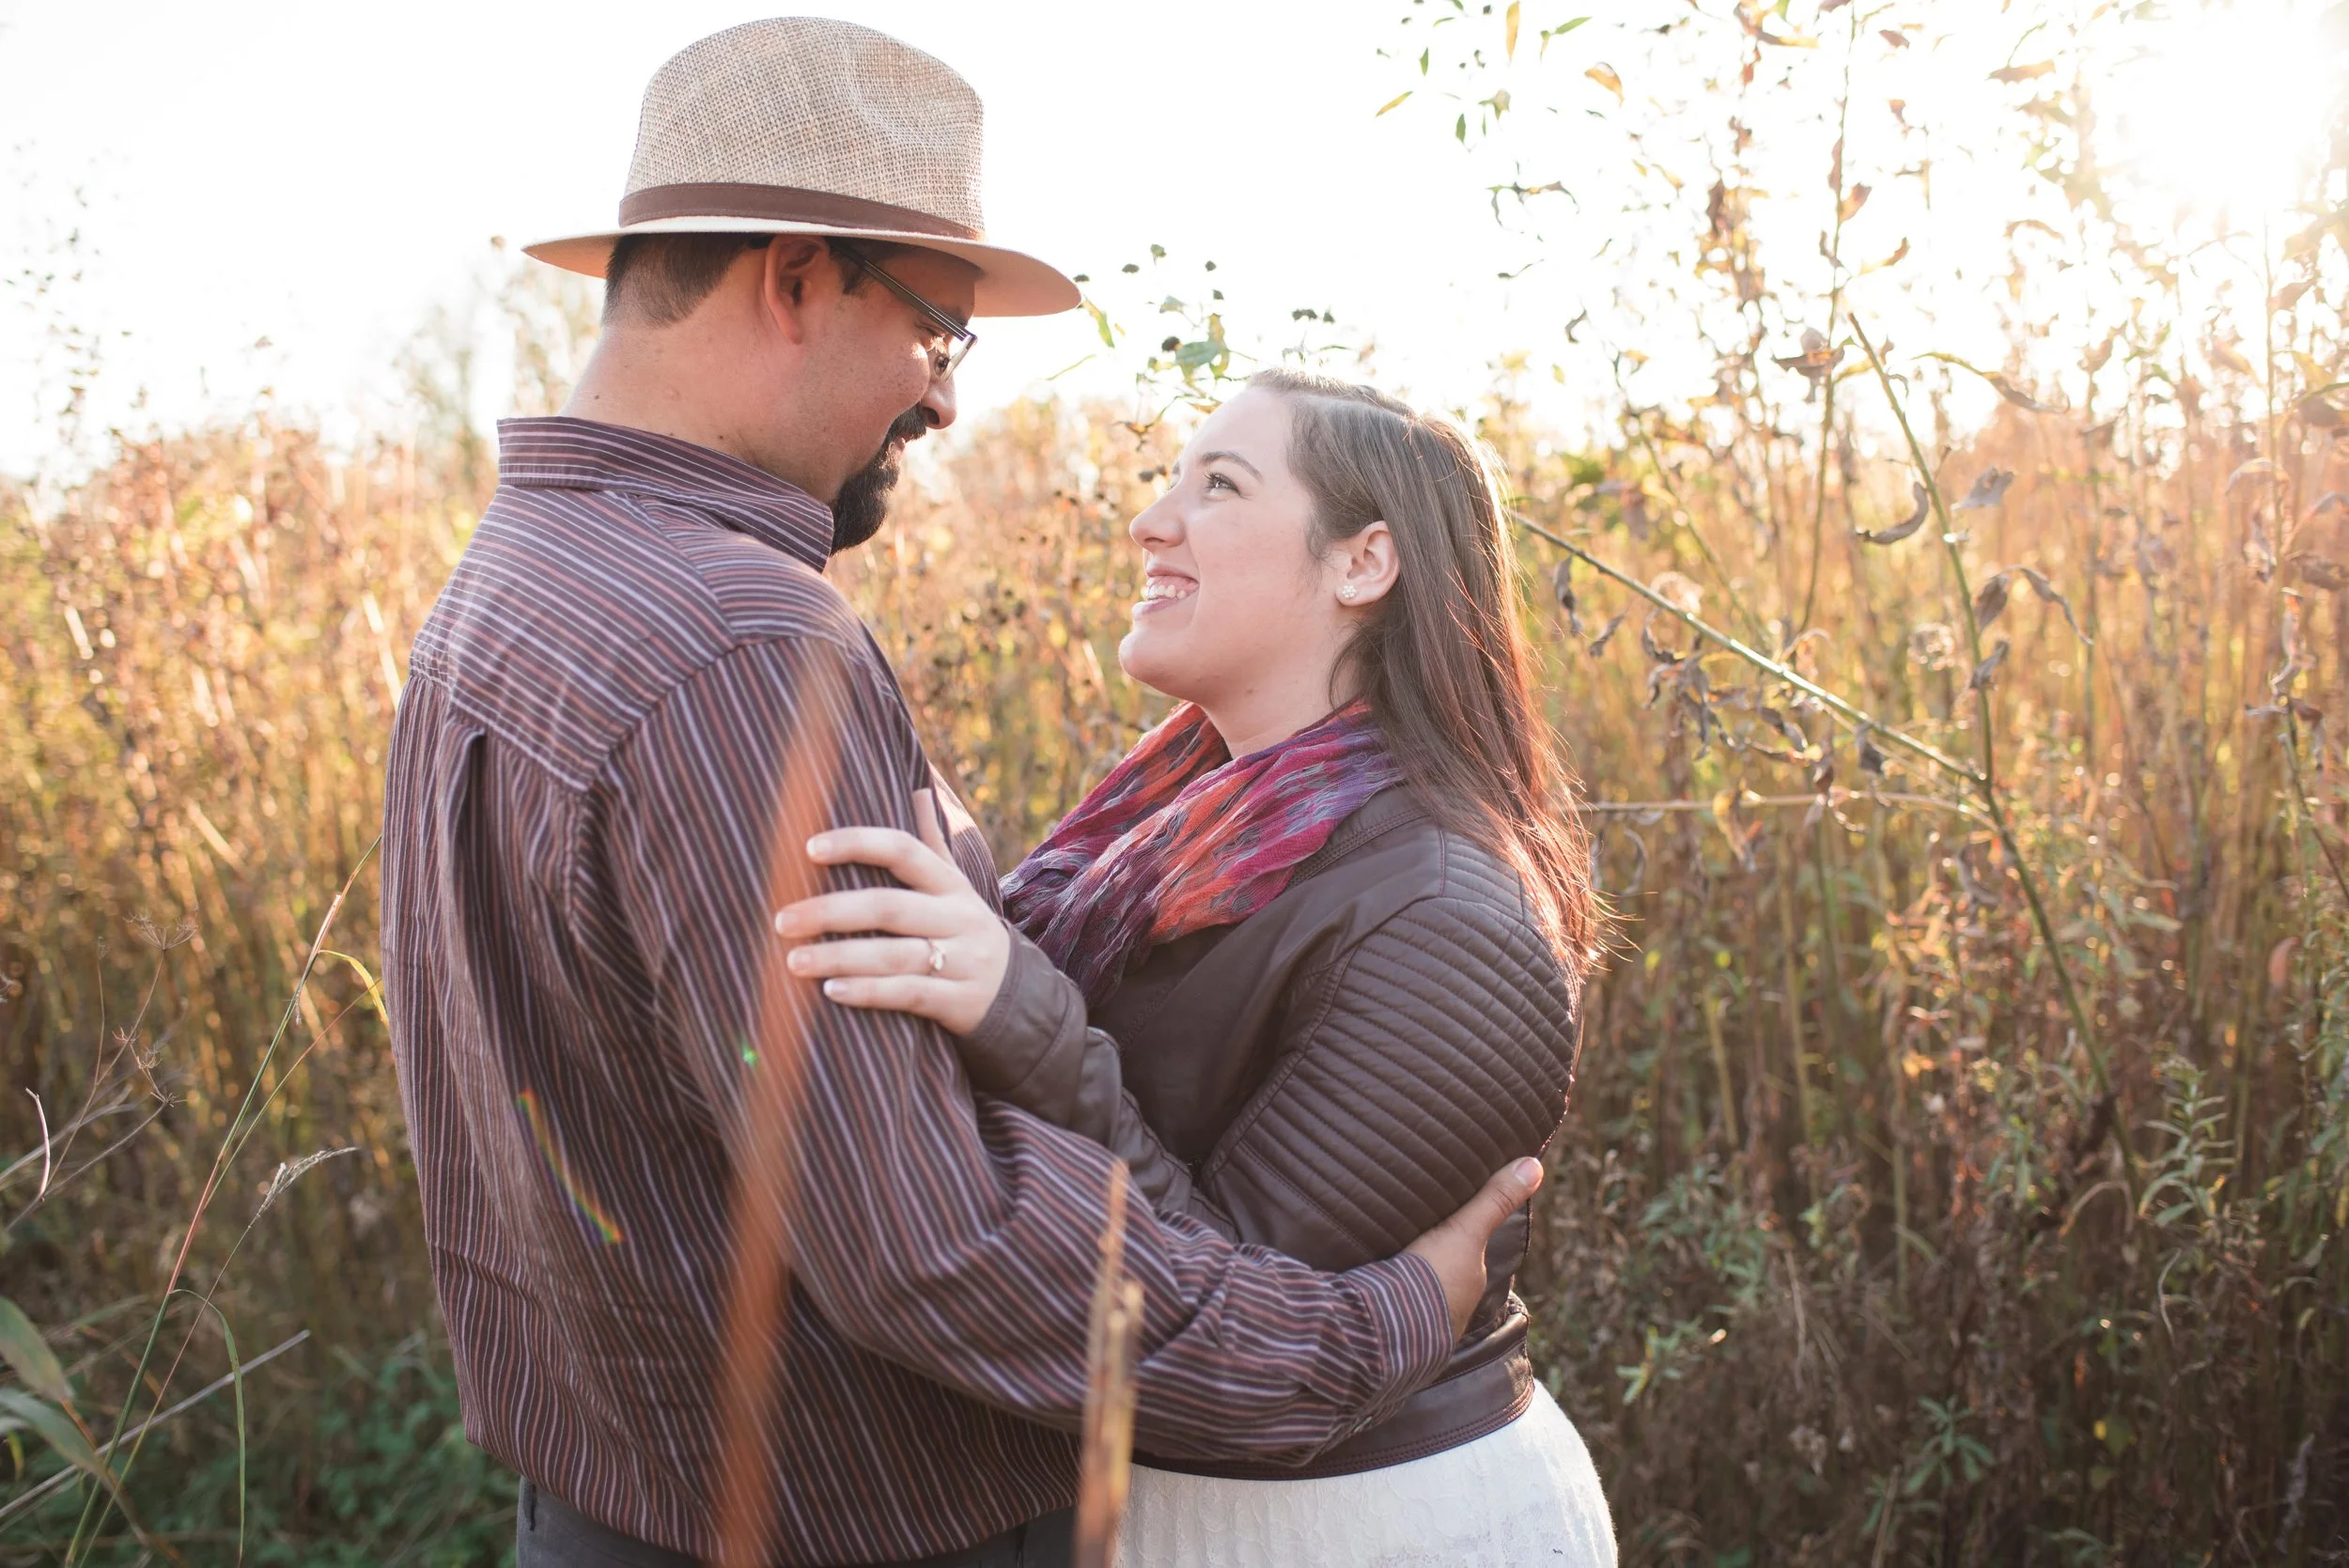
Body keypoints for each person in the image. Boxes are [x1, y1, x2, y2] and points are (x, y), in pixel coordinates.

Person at [380, 18, 1536, 1568]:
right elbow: (930, 1244)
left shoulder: (512, 578)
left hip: (608, 1503)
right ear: (796, 280)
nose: (942, 403)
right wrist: (1383, 1320)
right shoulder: (746, 644)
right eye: (940, 330)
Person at [777, 372, 1621, 1565]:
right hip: (1147, 1508)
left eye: (1218, 486)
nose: (1150, 521)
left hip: (1364, 1523)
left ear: (1362, 561)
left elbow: (1252, 1322)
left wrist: (1021, 1017)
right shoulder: (1169, 826)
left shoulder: (1446, 912)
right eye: (1172, 479)